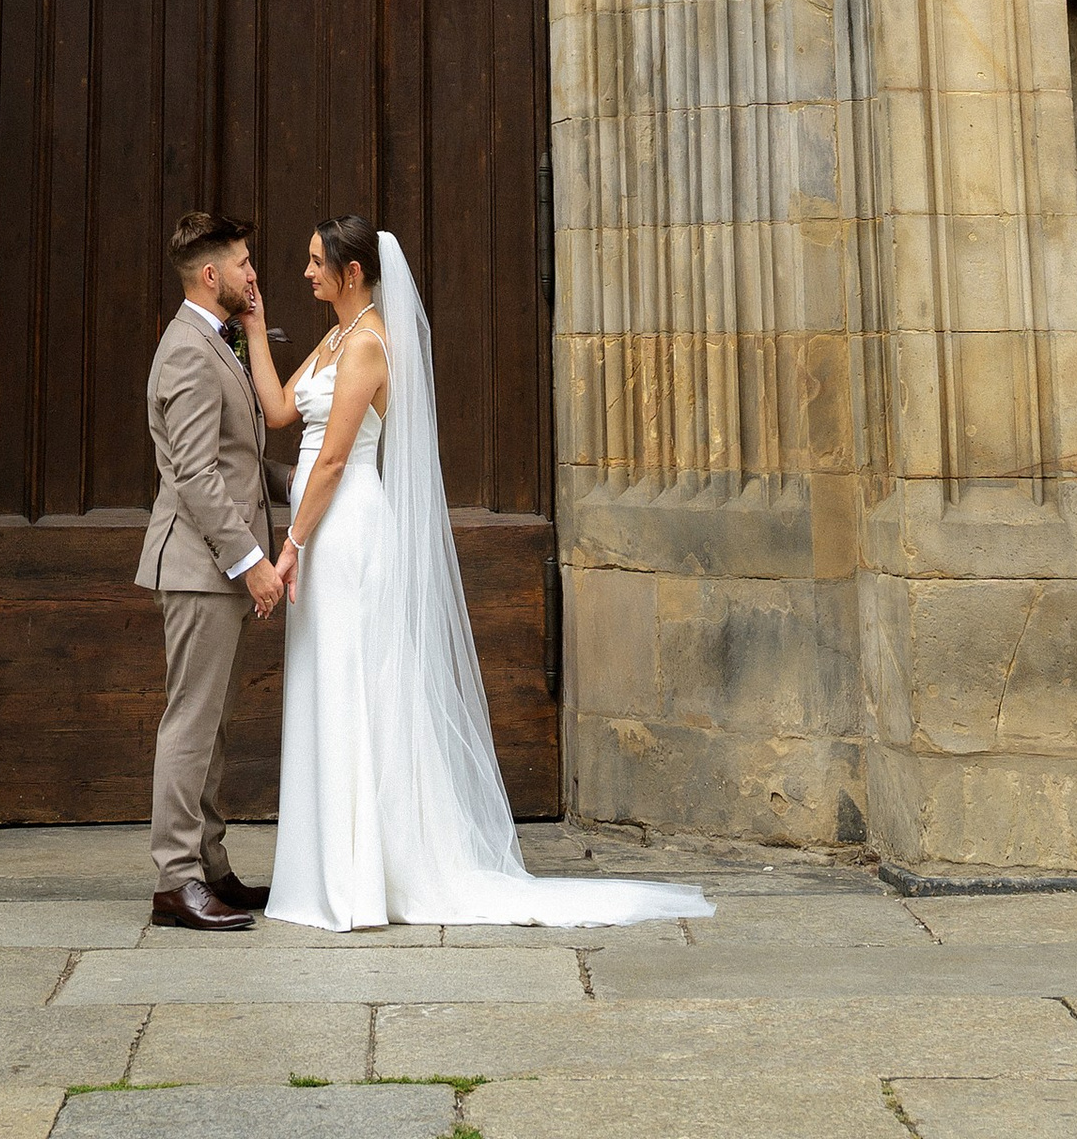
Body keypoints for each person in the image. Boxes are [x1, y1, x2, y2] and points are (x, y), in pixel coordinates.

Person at [240, 215, 711, 932]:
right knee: (326, 677)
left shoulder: (368, 345)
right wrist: (255, 325)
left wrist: (291, 545)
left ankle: (364, 879)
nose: (305, 272)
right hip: (321, 533)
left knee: (355, 679)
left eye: (315, 262)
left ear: (353, 273)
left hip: (344, 530)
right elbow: (279, 410)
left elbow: (333, 461)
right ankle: (331, 870)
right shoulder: (335, 338)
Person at [136, 209, 280, 932]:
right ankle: (175, 880)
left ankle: (211, 867)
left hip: (213, 567)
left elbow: (237, 459)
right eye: (247, 263)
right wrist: (252, 562)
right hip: (200, 568)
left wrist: (314, 481)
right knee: (190, 724)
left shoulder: (211, 341)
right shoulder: (189, 349)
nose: (256, 275)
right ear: (213, 274)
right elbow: (196, 475)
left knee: (213, 725)